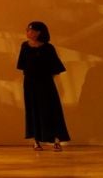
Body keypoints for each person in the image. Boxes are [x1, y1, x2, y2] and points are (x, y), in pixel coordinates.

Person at [16, 21, 70, 151]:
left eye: (31, 30)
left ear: (39, 32)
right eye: (27, 30)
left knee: (51, 110)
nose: (28, 32)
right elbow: (22, 65)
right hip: (30, 84)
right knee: (33, 110)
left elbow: (56, 68)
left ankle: (56, 140)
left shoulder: (48, 48)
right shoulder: (24, 46)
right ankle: (36, 140)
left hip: (46, 83)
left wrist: (45, 78)